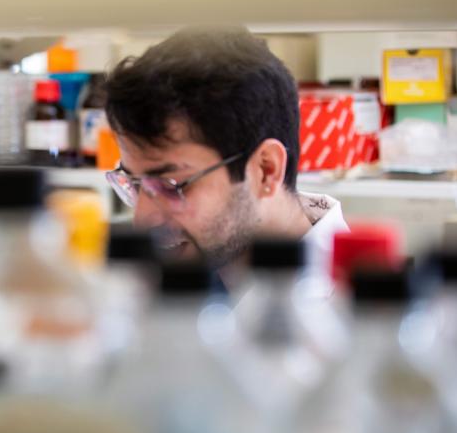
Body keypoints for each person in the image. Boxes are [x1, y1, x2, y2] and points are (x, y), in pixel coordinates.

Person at [103, 26, 348, 292]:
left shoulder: (341, 305)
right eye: (134, 185)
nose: (142, 219)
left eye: (170, 185)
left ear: (266, 170)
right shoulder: (173, 273)